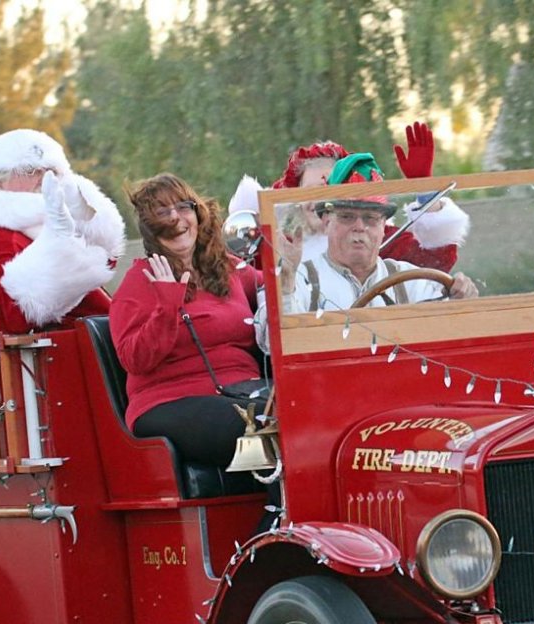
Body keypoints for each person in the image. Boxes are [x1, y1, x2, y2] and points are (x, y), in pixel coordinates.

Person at [109, 173, 265, 468]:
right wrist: (167, 305)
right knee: (264, 423)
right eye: (162, 212)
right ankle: (281, 502)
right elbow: (134, 359)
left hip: (243, 389)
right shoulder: (141, 280)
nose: (175, 219)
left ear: (197, 213)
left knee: (302, 409)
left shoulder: (226, 268)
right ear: (150, 228)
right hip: (169, 400)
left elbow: (276, 289)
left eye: (183, 207)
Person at [227, 122, 469, 271]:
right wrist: (254, 219)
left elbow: (436, 262)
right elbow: (240, 271)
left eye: (328, 190)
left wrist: (425, 189)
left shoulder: (373, 236)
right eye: (310, 191)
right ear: (296, 200)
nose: (318, 201)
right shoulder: (283, 248)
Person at [0, 129, 126, 334]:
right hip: (52, 352)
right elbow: (18, 315)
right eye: (29, 170)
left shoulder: (34, 226)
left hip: (81, 344)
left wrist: (85, 220)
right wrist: (60, 245)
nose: (44, 177)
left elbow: (105, 263)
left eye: (51, 170)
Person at [277, 154, 478, 314]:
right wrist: (285, 287)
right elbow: (273, 340)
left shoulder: (410, 279)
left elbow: (451, 331)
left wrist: (462, 300)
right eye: (347, 216)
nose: (359, 227)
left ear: (383, 226)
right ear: (327, 220)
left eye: (370, 218)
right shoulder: (299, 278)